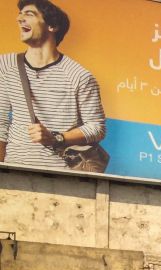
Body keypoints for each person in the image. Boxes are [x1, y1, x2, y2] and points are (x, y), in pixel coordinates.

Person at [1, 0, 107, 169]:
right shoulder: (5, 65)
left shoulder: (79, 76)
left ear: (53, 26)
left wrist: (56, 138)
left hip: (62, 176)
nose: (19, 18)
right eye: (20, 14)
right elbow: (0, 123)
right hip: (15, 171)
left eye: (29, 14)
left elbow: (97, 128)